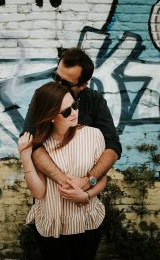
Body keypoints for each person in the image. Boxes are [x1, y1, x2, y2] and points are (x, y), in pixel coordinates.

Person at [18, 82, 107, 260]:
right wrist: (25, 157)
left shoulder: (94, 135)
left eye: (74, 106)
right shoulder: (40, 145)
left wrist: (86, 194)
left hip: (86, 223)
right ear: (50, 116)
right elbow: (39, 192)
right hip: (51, 225)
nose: (74, 113)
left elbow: (102, 179)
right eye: (66, 112)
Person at [22, 47, 122, 192]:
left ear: (82, 85)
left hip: (85, 199)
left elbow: (113, 147)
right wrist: (66, 182)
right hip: (49, 196)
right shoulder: (43, 96)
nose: (58, 85)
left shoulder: (95, 101)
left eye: (66, 84)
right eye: (57, 77)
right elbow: (30, 142)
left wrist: (89, 180)